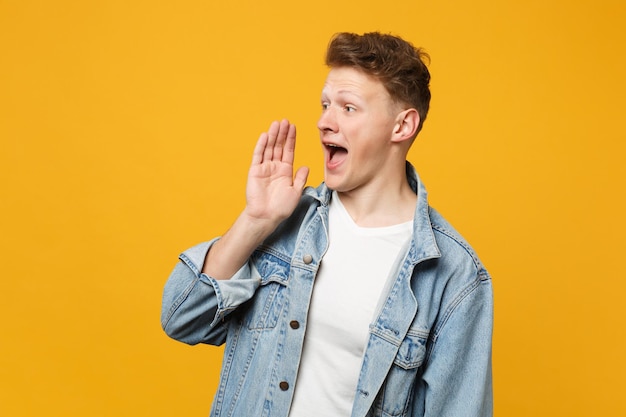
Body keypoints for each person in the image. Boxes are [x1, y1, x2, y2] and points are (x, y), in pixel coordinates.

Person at [161, 31, 493, 417]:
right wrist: (255, 220)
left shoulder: (454, 275)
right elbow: (181, 318)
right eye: (324, 104)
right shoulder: (287, 223)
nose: (324, 122)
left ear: (402, 127)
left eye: (348, 108)